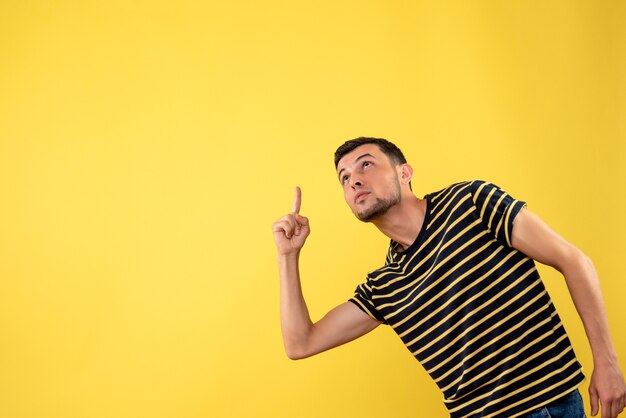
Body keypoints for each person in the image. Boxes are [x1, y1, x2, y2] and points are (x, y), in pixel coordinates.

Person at [272, 137, 626, 418]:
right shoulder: (385, 286)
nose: (355, 180)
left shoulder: (470, 201)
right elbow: (300, 344)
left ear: (404, 172)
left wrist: (607, 363)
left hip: (547, 405)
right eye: (344, 177)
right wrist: (288, 256)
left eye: (366, 164)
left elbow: (574, 261)